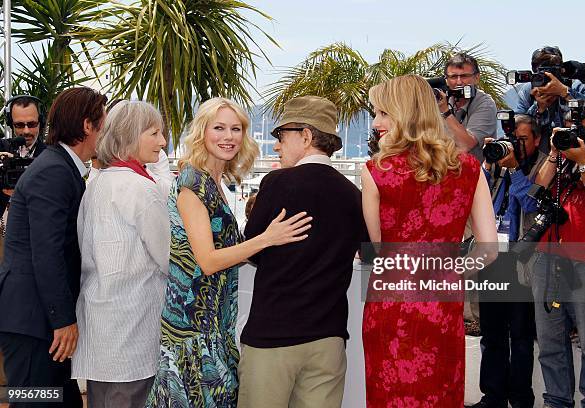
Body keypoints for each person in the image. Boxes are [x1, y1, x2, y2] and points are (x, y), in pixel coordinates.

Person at [146, 97, 311, 407]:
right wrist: (266, 239)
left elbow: (228, 251)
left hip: (214, 321)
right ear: (202, 133)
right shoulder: (192, 183)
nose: (228, 137)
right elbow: (207, 261)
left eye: (236, 129)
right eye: (219, 128)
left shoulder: (215, 181)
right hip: (192, 327)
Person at [361, 74, 497, 407]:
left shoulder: (375, 171)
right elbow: (489, 249)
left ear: (405, 114)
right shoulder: (469, 168)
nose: (376, 122)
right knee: (440, 394)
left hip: (390, 307)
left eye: (383, 113)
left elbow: (380, 250)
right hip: (442, 307)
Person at [237, 96, 368, 408]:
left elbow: (252, 248)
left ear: (306, 136)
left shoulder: (278, 182)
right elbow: (368, 250)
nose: (277, 146)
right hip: (329, 338)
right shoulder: (353, 194)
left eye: (281, 136)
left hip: (273, 335)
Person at [0, 87, 107, 407]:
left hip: (37, 320)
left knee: (60, 400)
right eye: (104, 123)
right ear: (88, 126)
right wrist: (63, 320)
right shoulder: (55, 172)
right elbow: (47, 254)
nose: (107, 131)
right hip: (35, 323)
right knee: (35, 401)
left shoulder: (59, 167)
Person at [71, 101, 170, 407]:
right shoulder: (141, 188)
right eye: (154, 133)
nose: (162, 142)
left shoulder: (98, 183)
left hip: (102, 322)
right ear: (130, 136)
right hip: (133, 326)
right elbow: (169, 257)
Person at [531, 99, 585, 408]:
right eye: (568, 130)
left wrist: (583, 162)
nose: (574, 136)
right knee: (550, 340)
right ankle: (556, 401)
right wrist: (554, 152)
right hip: (549, 255)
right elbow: (537, 189)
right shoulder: (561, 153)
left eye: (582, 131)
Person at [469, 114, 546, 408]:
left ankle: (521, 397)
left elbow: (531, 203)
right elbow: (479, 196)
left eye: (523, 140)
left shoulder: (543, 166)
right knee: (492, 332)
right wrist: (489, 163)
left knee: (521, 334)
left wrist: (514, 170)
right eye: (513, 140)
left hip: (521, 260)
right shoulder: (497, 165)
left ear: (537, 139)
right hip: (493, 257)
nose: (516, 146)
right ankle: (493, 395)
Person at [515, 46, 585, 153]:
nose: (548, 78)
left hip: (577, 147)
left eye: (552, 72)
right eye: (542, 72)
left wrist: (566, 93)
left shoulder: (577, 85)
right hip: (541, 152)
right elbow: (516, 127)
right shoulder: (529, 89)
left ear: (561, 70)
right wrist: (538, 109)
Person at [437, 52, 498, 162]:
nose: (459, 82)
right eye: (453, 77)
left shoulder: (485, 103)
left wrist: (445, 112)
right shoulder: (441, 100)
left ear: (477, 78)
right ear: (446, 80)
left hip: (476, 174)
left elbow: (466, 144)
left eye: (464, 76)